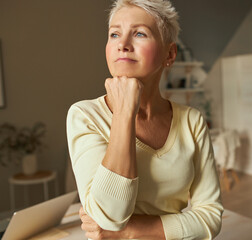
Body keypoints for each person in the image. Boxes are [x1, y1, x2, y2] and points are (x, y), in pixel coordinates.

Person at [66, 0, 223, 239]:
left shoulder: (192, 121)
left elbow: (210, 217)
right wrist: (123, 114)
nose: (123, 45)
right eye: (115, 34)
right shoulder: (85, 115)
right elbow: (108, 216)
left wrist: (126, 232)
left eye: (139, 33)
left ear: (169, 54)